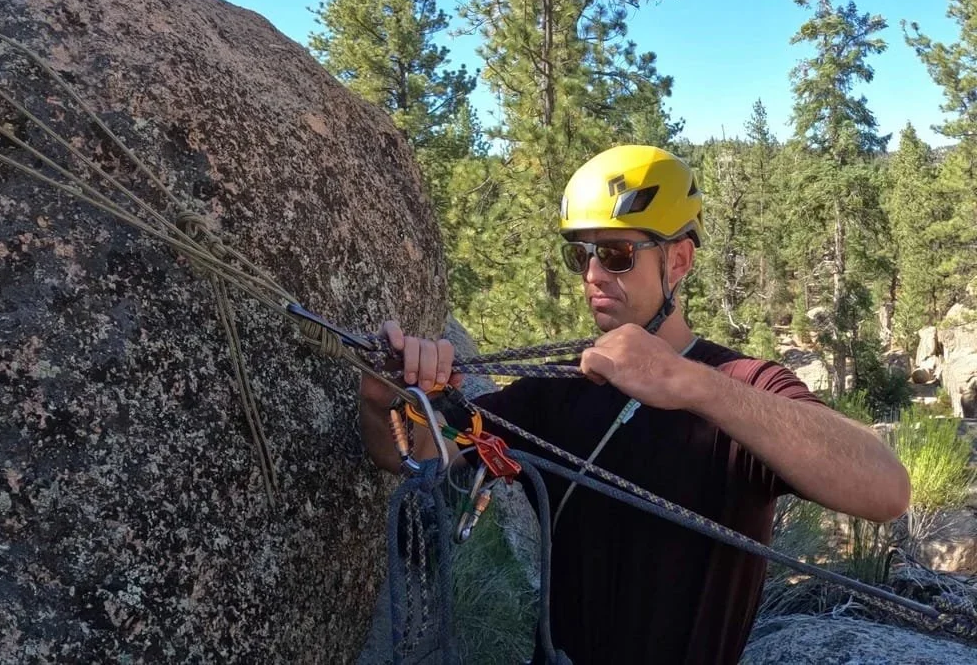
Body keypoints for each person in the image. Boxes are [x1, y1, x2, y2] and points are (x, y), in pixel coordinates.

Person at [359, 145, 911, 665]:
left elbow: (886, 488)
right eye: (580, 255)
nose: (593, 275)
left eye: (616, 254)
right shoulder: (557, 390)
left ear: (679, 260)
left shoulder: (744, 386)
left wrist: (693, 385)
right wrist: (389, 396)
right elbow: (415, 451)